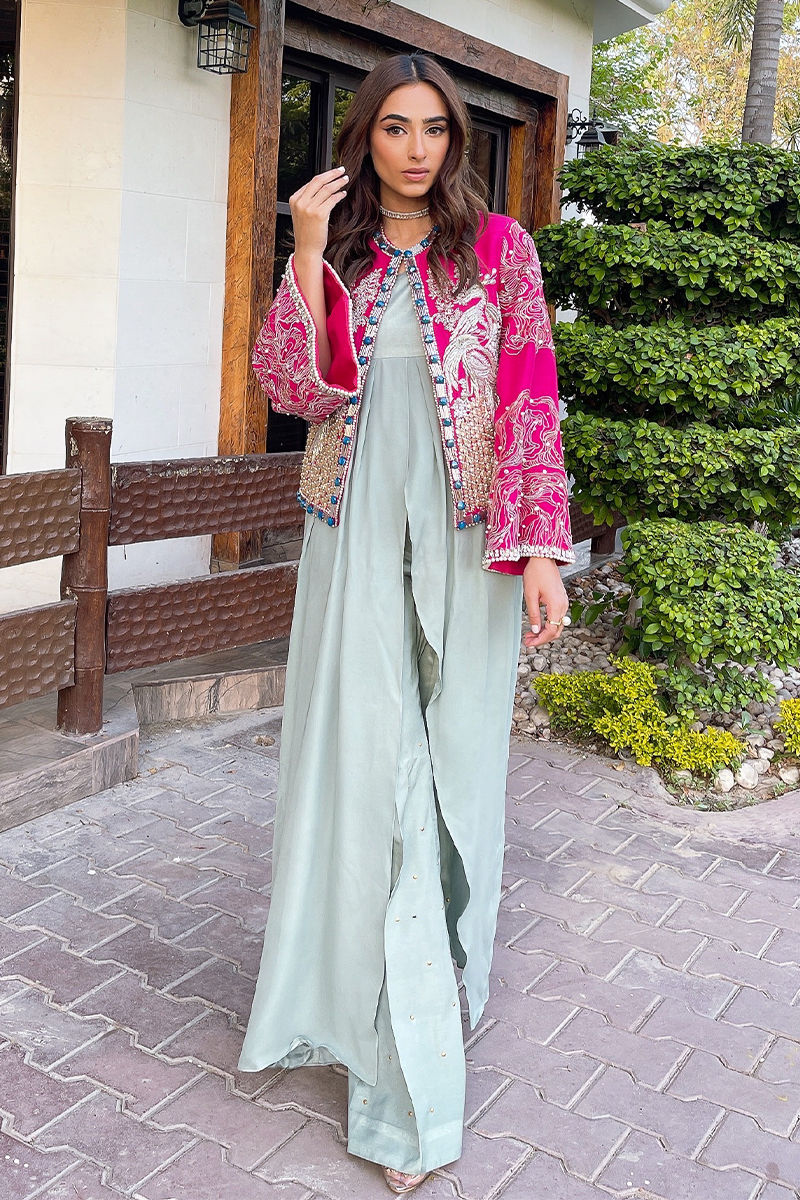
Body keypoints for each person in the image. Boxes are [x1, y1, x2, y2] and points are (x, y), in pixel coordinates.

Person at [237, 51, 575, 1195]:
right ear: (365, 138)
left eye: (434, 127)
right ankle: (398, 1084)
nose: (416, 147)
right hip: (351, 545)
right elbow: (293, 391)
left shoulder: (499, 250)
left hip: (471, 545)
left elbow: (529, 393)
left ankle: (432, 991)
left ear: (455, 140)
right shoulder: (334, 250)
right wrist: (299, 249)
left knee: (450, 777)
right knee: (370, 773)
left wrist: (540, 551)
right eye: (394, 126)